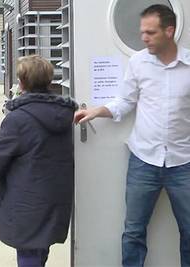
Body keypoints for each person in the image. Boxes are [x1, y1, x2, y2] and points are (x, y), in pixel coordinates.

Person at [74, 4, 190, 266]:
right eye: (142, 32)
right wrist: (96, 111)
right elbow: (124, 102)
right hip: (144, 160)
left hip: (184, 163)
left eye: (150, 32)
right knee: (134, 232)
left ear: (169, 31)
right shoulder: (138, 63)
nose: (143, 38)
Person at [0, 55, 78, 267]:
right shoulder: (63, 114)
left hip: (28, 200)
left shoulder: (18, 119)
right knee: (40, 249)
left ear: (21, 84)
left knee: (29, 253)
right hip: (55, 196)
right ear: (49, 82)